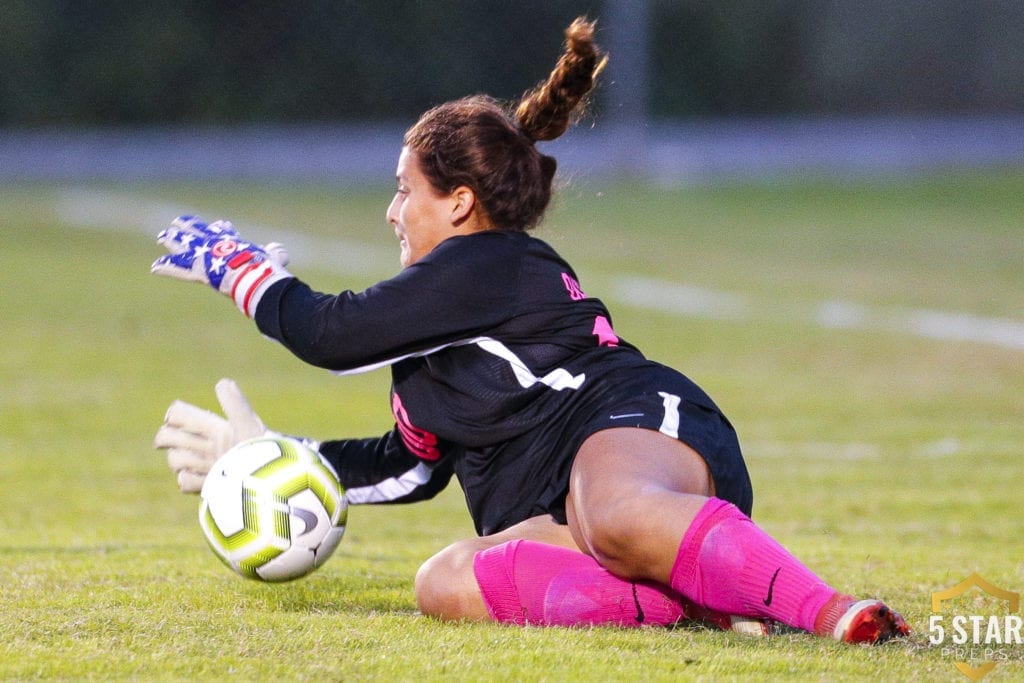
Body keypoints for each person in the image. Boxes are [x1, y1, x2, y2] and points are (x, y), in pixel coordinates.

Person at [151, 17, 909, 643]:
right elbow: (411, 468)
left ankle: (833, 612)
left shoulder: (490, 262)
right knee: (442, 579)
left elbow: (330, 332)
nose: (390, 210)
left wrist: (237, 267)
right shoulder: (425, 355)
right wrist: (274, 460)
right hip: (566, 508)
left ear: (459, 203)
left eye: (403, 189)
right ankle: (699, 602)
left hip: (636, 434)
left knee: (606, 509)